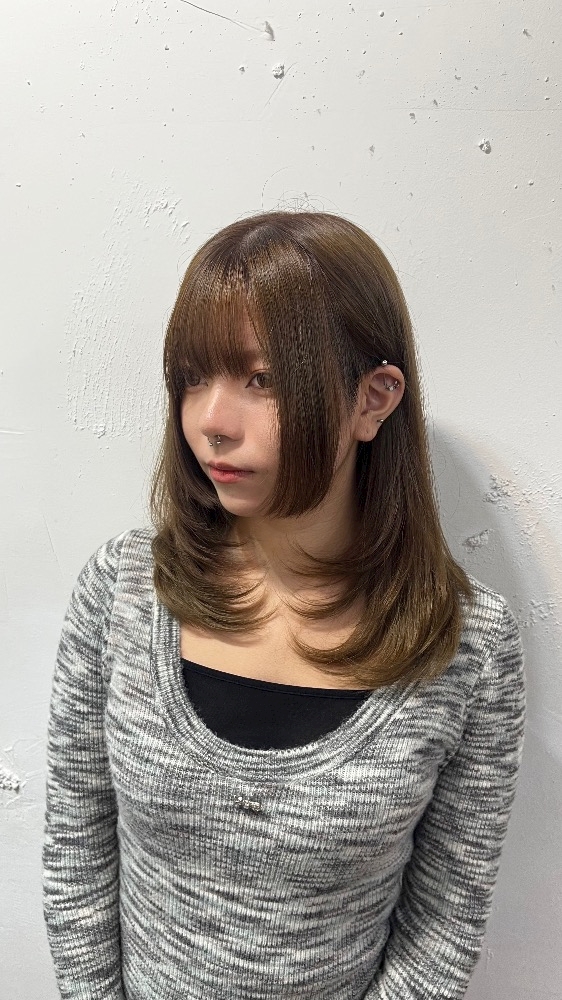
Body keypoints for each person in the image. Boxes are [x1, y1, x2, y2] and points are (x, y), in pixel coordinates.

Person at [42, 210, 526, 1000]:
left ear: (373, 399)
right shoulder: (122, 591)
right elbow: (76, 851)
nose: (210, 421)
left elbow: (445, 924)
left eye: (261, 379)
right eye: (193, 377)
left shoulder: (467, 648)